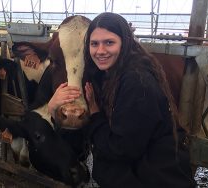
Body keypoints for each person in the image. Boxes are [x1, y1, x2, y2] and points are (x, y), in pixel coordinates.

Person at [48, 12, 195, 188]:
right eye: (94, 44)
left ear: (124, 42)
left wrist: (95, 115)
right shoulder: (110, 74)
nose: (100, 51)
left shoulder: (137, 83)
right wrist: (53, 106)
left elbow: (122, 149)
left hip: (153, 179)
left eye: (109, 42)